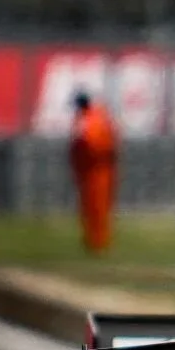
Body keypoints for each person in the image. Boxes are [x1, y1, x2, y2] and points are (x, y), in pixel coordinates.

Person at [69, 90, 118, 253]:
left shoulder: (93, 119)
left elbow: (96, 144)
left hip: (97, 168)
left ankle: (98, 241)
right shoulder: (90, 118)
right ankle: (94, 240)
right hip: (91, 169)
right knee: (91, 207)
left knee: (98, 206)